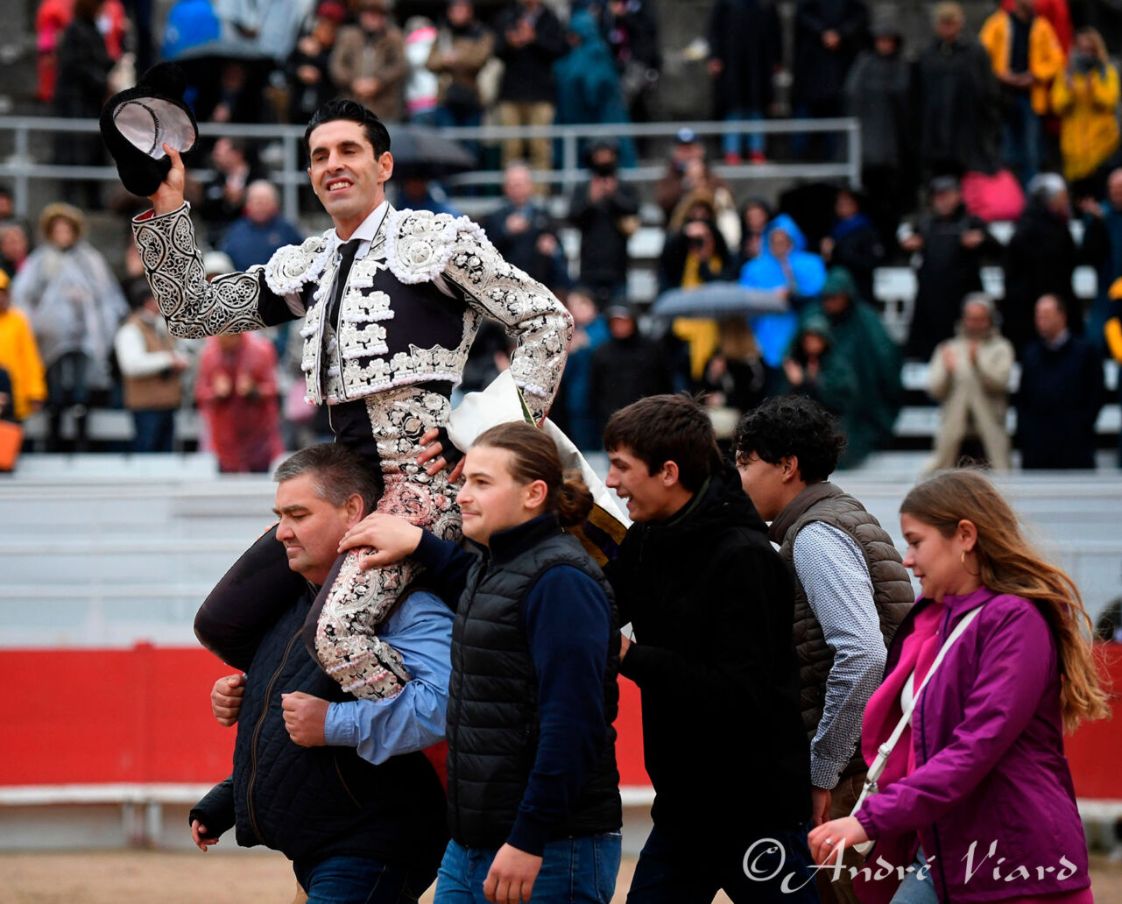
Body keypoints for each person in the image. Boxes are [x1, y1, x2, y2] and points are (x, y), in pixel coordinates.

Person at [132, 98, 571, 701]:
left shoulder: (437, 242)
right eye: (319, 156)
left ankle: (430, 739)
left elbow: (547, 320)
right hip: (345, 484)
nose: (332, 164)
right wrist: (168, 207)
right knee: (222, 621)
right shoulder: (310, 263)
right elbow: (193, 313)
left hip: (425, 481)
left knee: (338, 634)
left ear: (383, 165)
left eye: (348, 151)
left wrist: (483, 441)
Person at [337, 422, 622, 904]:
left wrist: (529, 838)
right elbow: (479, 581)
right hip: (474, 842)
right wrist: (421, 544)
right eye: (466, 480)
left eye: (482, 483)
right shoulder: (497, 566)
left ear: (534, 494)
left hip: (548, 846)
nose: (464, 495)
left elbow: (573, 725)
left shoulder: (562, 581)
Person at [809, 469, 1107, 904]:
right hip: (948, 849)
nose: (907, 559)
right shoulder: (939, 617)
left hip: (1014, 859)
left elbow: (975, 747)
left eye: (916, 542)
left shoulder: (1013, 620)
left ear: (965, 536)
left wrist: (871, 818)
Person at [190, 443, 451, 903]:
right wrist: (227, 799)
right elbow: (296, 729)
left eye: (298, 515)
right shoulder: (298, 602)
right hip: (328, 842)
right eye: (280, 516)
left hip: (375, 842)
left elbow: (441, 707)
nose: (281, 533)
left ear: (353, 511)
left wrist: (333, 723)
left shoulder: (409, 603)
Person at [600, 394, 816, 903]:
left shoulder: (746, 557)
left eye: (621, 467)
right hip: (683, 808)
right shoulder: (647, 537)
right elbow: (594, 602)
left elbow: (739, 693)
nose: (610, 481)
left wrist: (630, 658)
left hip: (759, 812)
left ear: (668, 472)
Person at [734, 395, 913, 904]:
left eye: (746, 463)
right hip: (870, 761)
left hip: (855, 774)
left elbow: (862, 655)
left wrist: (822, 770)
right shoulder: (837, 518)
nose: (739, 478)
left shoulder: (816, 535)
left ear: (787, 466)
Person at [11, 203, 128, 452]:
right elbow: (24, 295)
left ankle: (81, 444)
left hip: (84, 336)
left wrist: (84, 299)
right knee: (54, 390)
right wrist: (44, 315)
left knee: (81, 391)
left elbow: (106, 295)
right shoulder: (41, 260)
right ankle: (54, 443)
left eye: (66, 230)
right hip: (50, 337)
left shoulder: (90, 259)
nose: (62, 235)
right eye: (58, 230)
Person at [801, 267, 902, 468]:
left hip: (857, 400)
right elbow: (794, 353)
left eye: (835, 297)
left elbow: (885, 358)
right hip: (817, 397)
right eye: (827, 297)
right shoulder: (814, 316)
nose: (830, 303)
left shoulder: (866, 321)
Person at [902, 175, 994, 360]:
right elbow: (903, 246)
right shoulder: (924, 224)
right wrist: (908, 245)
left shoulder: (971, 222)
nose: (942, 201)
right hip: (930, 301)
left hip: (961, 300)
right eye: (938, 196)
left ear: (958, 196)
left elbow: (996, 249)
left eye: (947, 195)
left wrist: (981, 241)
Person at [844, 12, 913, 246]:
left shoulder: (901, 66)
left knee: (893, 199)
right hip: (868, 149)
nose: (885, 45)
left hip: (895, 148)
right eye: (881, 40)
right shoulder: (864, 64)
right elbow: (852, 96)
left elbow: (906, 100)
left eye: (888, 40)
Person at [926, 293, 1015, 471]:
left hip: (989, 435)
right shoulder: (948, 348)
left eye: (980, 319)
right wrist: (948, 373)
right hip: (955, 436)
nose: (975, 324)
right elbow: (935, 390)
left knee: (997, 478)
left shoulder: (1001, 348)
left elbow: (1000, 382)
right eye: (971, 319)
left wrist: (977, 364)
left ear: (989, 320)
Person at [980, 0, 1065, 186]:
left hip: (1031, 97)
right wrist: (1000, 74)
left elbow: (1057, 60)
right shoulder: (997, 23)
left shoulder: (1042, 27)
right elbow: (983, 54)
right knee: (1006, 150)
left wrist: (1035, 75)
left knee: (1031, 150)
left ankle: (1031, 192)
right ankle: (1008, 192)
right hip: (1003, 96)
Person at [915, 2, 1002, 179]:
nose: (948, 28)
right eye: (943, 23)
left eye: (951, 23)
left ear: (960, 23)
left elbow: (989, 93)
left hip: (969, 136)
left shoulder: (975, 53)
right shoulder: (927, 55)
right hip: (936, 136)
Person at [1017, 293, 1104, 469]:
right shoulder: (1031, 353)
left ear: (1062, 316)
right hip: (1038, 449)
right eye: (1038, 316)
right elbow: (1024, 399)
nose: (1041, 321)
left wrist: (1081, 426)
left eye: (1046, 315)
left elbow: (1095, 395)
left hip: (1075, 447)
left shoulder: (1085, 352)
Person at [1001, 173, 1083, 353]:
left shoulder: (1051, 226)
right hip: (1032, 312)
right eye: (1063, 196)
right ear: (1049, 200)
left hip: (1044, 309)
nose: (1066, 201)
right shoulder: (1034, 231)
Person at [740, 213, 828, 368]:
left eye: (784, 241)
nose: (779, 246)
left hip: (802, 337)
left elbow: (820, 295)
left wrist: (793, 289)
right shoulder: (753, 268)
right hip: (765, 338)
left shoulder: (810, 264)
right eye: (775, 241)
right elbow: (745, 303)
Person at [493, 0, 568, 174]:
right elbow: (496, 50)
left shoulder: (550, 18)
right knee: (511, 148)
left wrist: (535, 38)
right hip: (511, 93)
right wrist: (510, 42)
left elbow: (559, 49)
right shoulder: (508, 15)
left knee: (540, 148)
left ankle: (540, 190)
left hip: (541, 94)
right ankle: (513, 187)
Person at [114, 281, 189, 453]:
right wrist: (168, 360)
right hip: (146, 406)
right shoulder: (131, 329)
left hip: (167, 403)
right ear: (148, 301)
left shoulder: (161, 325)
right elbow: (131, 365)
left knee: (166, 454)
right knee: (147, 453)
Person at [195, 332, 285, 473]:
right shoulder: (209, 353)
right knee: (228, 479)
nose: (221, 340)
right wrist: (216, 393)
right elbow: (201, 393)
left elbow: (273, 388)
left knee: (259, 476)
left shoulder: (260, 350)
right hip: (225, 439)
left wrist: (254, 391)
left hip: (258, 436)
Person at [791, 0, 870, 160]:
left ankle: (836, 156)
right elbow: (802, 16)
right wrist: (824, 32)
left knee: (838, 121)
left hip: (842, 69)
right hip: (811, 72)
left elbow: (860, 16)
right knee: (809, 121)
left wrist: (840, 33)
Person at [53, 0, 113, 209]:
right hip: (76, 103)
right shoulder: (76, 31)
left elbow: (99, 62)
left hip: (92, 103)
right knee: (75, 151)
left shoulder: (92, 30)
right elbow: (77, 66)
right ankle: (72, 199)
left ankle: (92, 200)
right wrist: (103, 82)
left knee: (93, 151)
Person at [706, 0, 782, 165]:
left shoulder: (765, 4)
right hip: (731, 64)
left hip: (758, 66)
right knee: (733, 109)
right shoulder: (725, 4)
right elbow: (714, 30)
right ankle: (732, 151)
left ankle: (757, 150)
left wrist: (776, 59)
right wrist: (715, 57)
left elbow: (775, 33)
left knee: (757, 108)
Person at [568, 140, 639, 306]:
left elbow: (633, 210)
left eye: (607, 155)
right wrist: (591, 200)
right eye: (599, 155)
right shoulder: (583, 188)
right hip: (589, 268)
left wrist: (613, 196)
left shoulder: (624, 187)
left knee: (619, 313)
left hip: (618, 268)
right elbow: (573, 216)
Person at [1051, 27, 1120, 197]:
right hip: (1074, 146)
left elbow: (1111, 100)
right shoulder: (1067, 74)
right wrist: (1070, 92)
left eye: (1089, 50)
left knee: (1102, 193)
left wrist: (1093, 88)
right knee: (1080, 196)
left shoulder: (1105, 72)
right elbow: (1057, 105)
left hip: (1103, 146)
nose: (1085, 55)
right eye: (1081, 49)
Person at [589, 303, 675, 436]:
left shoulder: (651, 349)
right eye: (615, 322)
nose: (619, 326)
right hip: (613, 420)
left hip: (648, 419)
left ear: (633, 322)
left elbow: (665, 382)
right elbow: (595, 388)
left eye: (623, 321)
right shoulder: (602, 352)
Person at [481, 161, 569, 290]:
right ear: (505, 188)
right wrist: (506, 231)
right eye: (512, 185)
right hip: (505, 287)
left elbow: (561, 256)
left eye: (520, 184)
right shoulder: (495, 218)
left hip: (539, 288)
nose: (516, 189)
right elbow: (485, 255)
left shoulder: (545, 216)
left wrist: (552, 250)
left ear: (530, 185)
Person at [330, 0, 407, 122]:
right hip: (351, 104)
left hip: (384, 107)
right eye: (368, 14)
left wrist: (378, 82)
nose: (372, 18)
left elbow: (400, 65)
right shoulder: (348, 36)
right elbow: (337, 65)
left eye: (378, 14)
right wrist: (353, 82)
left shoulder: (394, 37)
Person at [426, 0, 494, 133]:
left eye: (462, 10)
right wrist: (445, 60)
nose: (458, 14)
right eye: (455, 10)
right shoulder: (443, 35)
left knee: (471, 140)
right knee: (447, 141)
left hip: (472, 97)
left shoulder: (481, 34)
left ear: (470, 12)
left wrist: (455, 58)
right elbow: (430, 62)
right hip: (447, 98)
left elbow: (479, 59)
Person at [781, 314, 859, 418]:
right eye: (808, 339)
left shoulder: (836, 363)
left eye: (816, 339)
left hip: (829, 418)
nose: (811, 343)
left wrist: (814, 381)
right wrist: (796, 384)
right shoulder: (796, 361)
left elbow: (843, 395)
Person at [220, 181, 306, 272]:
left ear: (275, 204)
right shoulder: (236, 230)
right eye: (256, 202)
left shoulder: (288, 230)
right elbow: (223, 259)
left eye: (265, 202)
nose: (260, 207)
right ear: (247, 204)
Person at [285, 1, 346, 126]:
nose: (324, 29)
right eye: (322, 23)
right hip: (298, 107)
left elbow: (336, 72)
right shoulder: (305, 43)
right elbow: (285, 68)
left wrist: (317, 54)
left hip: (325, 108)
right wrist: (299, 72)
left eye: (330, 26)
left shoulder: (338, 47)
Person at [820, 188, 885, 304]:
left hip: (860, 287)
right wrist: (827, 254)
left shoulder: (866, 229)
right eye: (839, 203)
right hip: (840, 289)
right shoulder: (835, 230)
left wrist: (840, 252)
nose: (842, 206)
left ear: (855, 205)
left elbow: (872, 260)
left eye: (846, 202)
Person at [0, 269, 46, 424]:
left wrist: (36, 392)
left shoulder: (18, 321)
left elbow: (30, 357)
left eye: (3, 293)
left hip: (15, 398)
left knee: (11, 434)